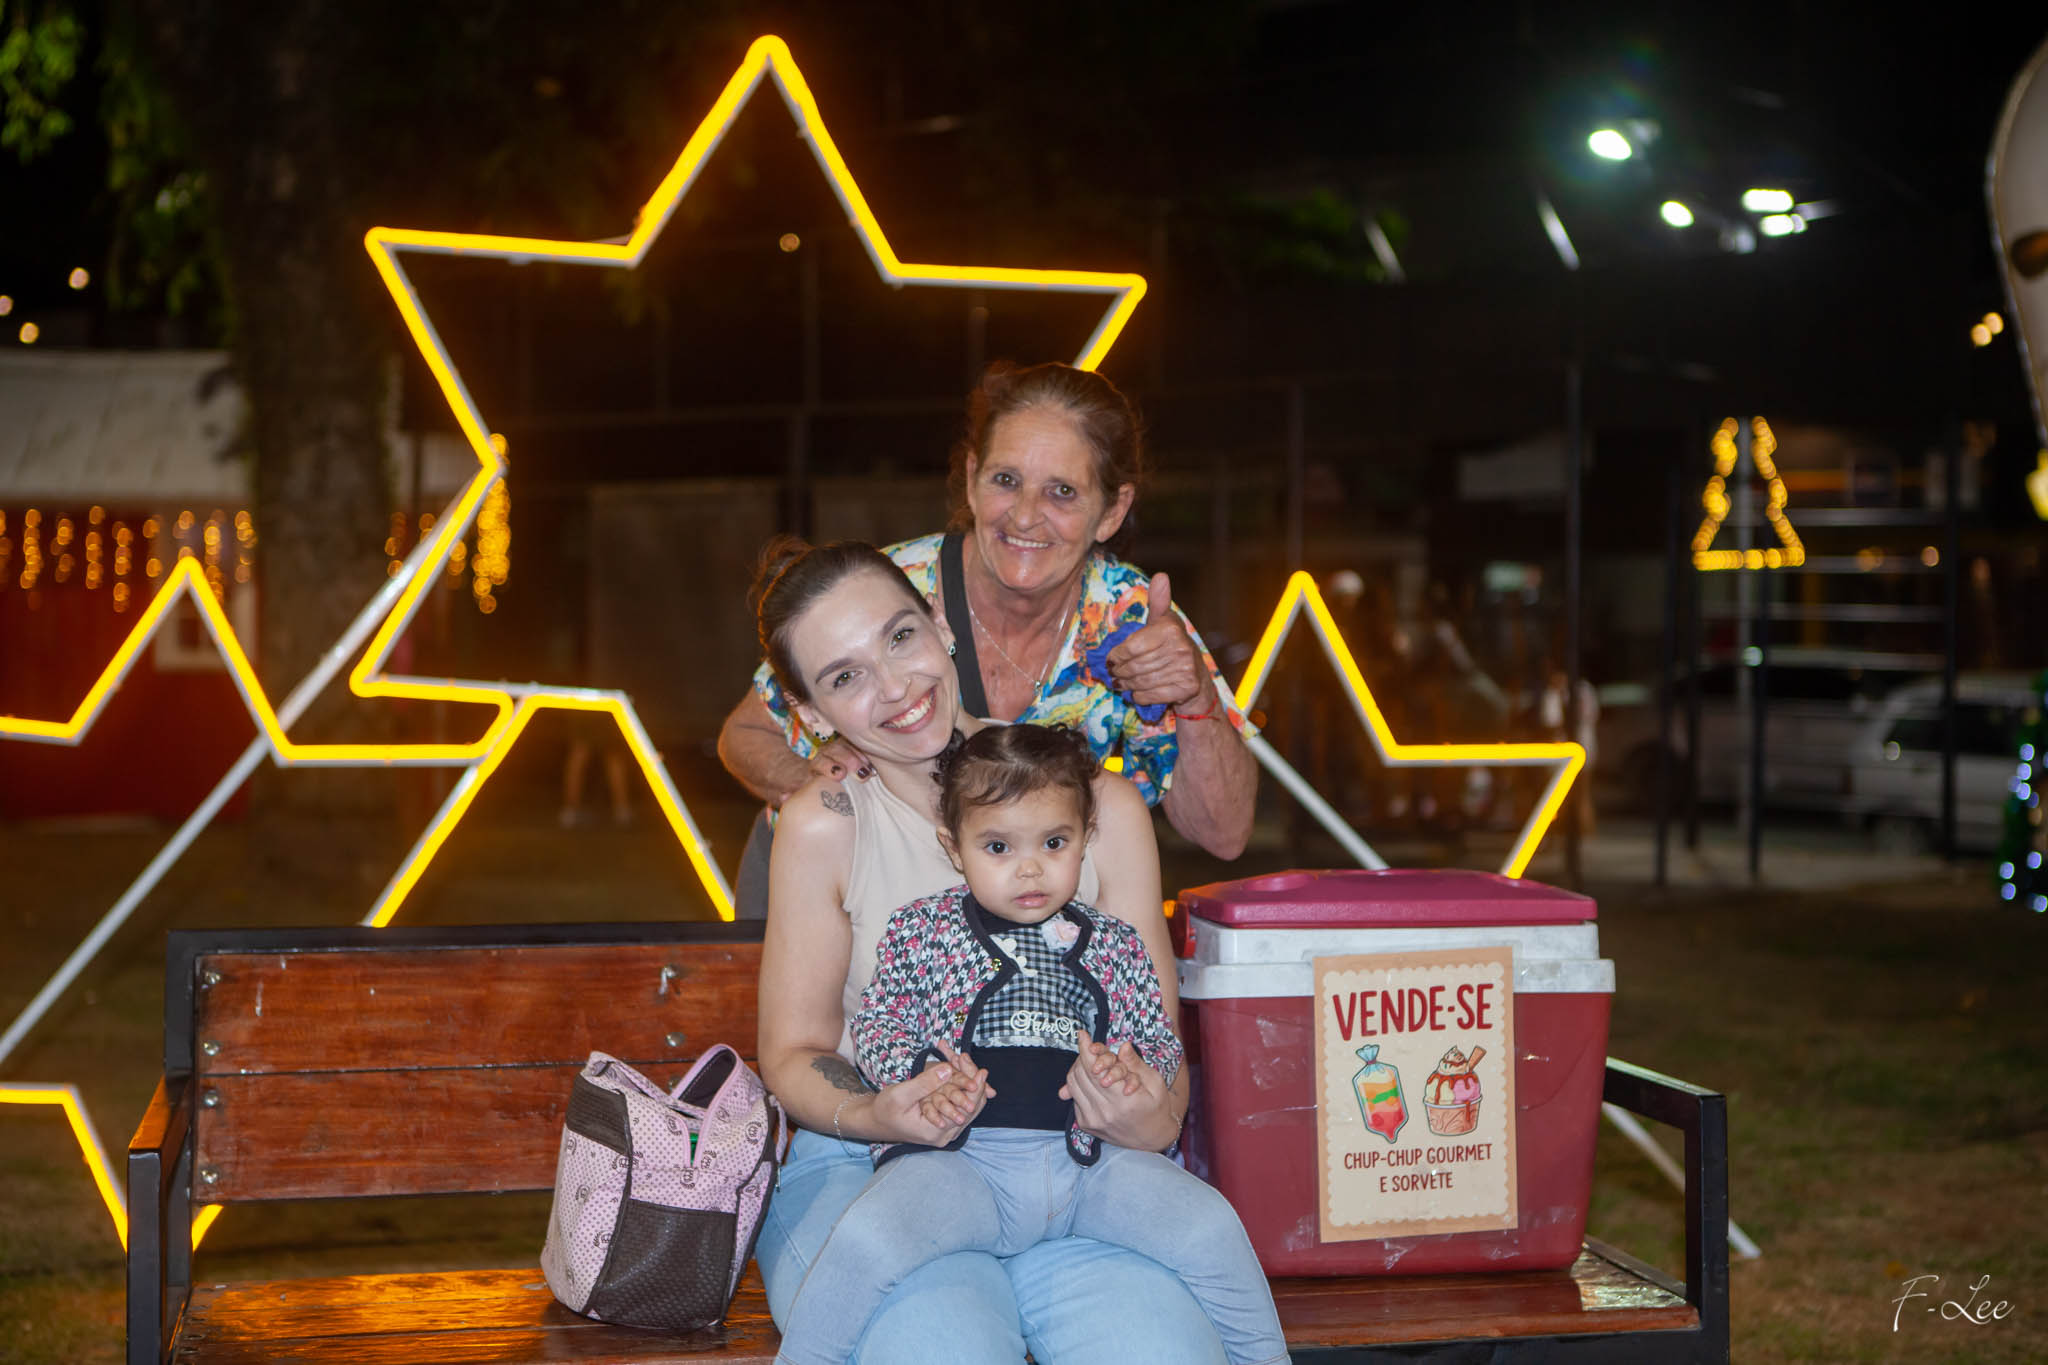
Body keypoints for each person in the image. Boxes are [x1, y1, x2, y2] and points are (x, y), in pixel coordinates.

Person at [750, 538, 1231, 1364]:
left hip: (1070, 1162)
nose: (895, 686)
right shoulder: (827, 822)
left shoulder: (1097, 805)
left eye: (900, 637)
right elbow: (794, 1050)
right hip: (870, 1166)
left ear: (940, 624)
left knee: (1165, 1347)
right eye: (845, 676)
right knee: (945, 1346)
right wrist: (875, 1111)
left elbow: (1157, 1048)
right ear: (813, 713)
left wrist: (1148, 1115)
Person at [773, 725, 1286, 1365]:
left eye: (1054, 842)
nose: (1030, 868)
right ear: (954, 847)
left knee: (1210, 1224)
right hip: (963, 1164)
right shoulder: (923, 929)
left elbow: (1153, 1035)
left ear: (1085, 838)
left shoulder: (1115, 942)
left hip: (1088, 1166)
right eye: (997, 846)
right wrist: (925, 1075)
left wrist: (1133, 1076)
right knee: (869, 1237)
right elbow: (881, 1023)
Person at [719, 362, 1259, 917]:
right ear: (973, 479)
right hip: (832, 893)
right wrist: (828, 788)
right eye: (1006, 480)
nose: (1024, 516)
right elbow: (744, 734)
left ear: (1111, 511)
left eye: (1062, 492)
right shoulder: (893, 592)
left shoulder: (1133, 619)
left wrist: (1195, 698)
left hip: (1017, 913)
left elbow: (1224, 834)